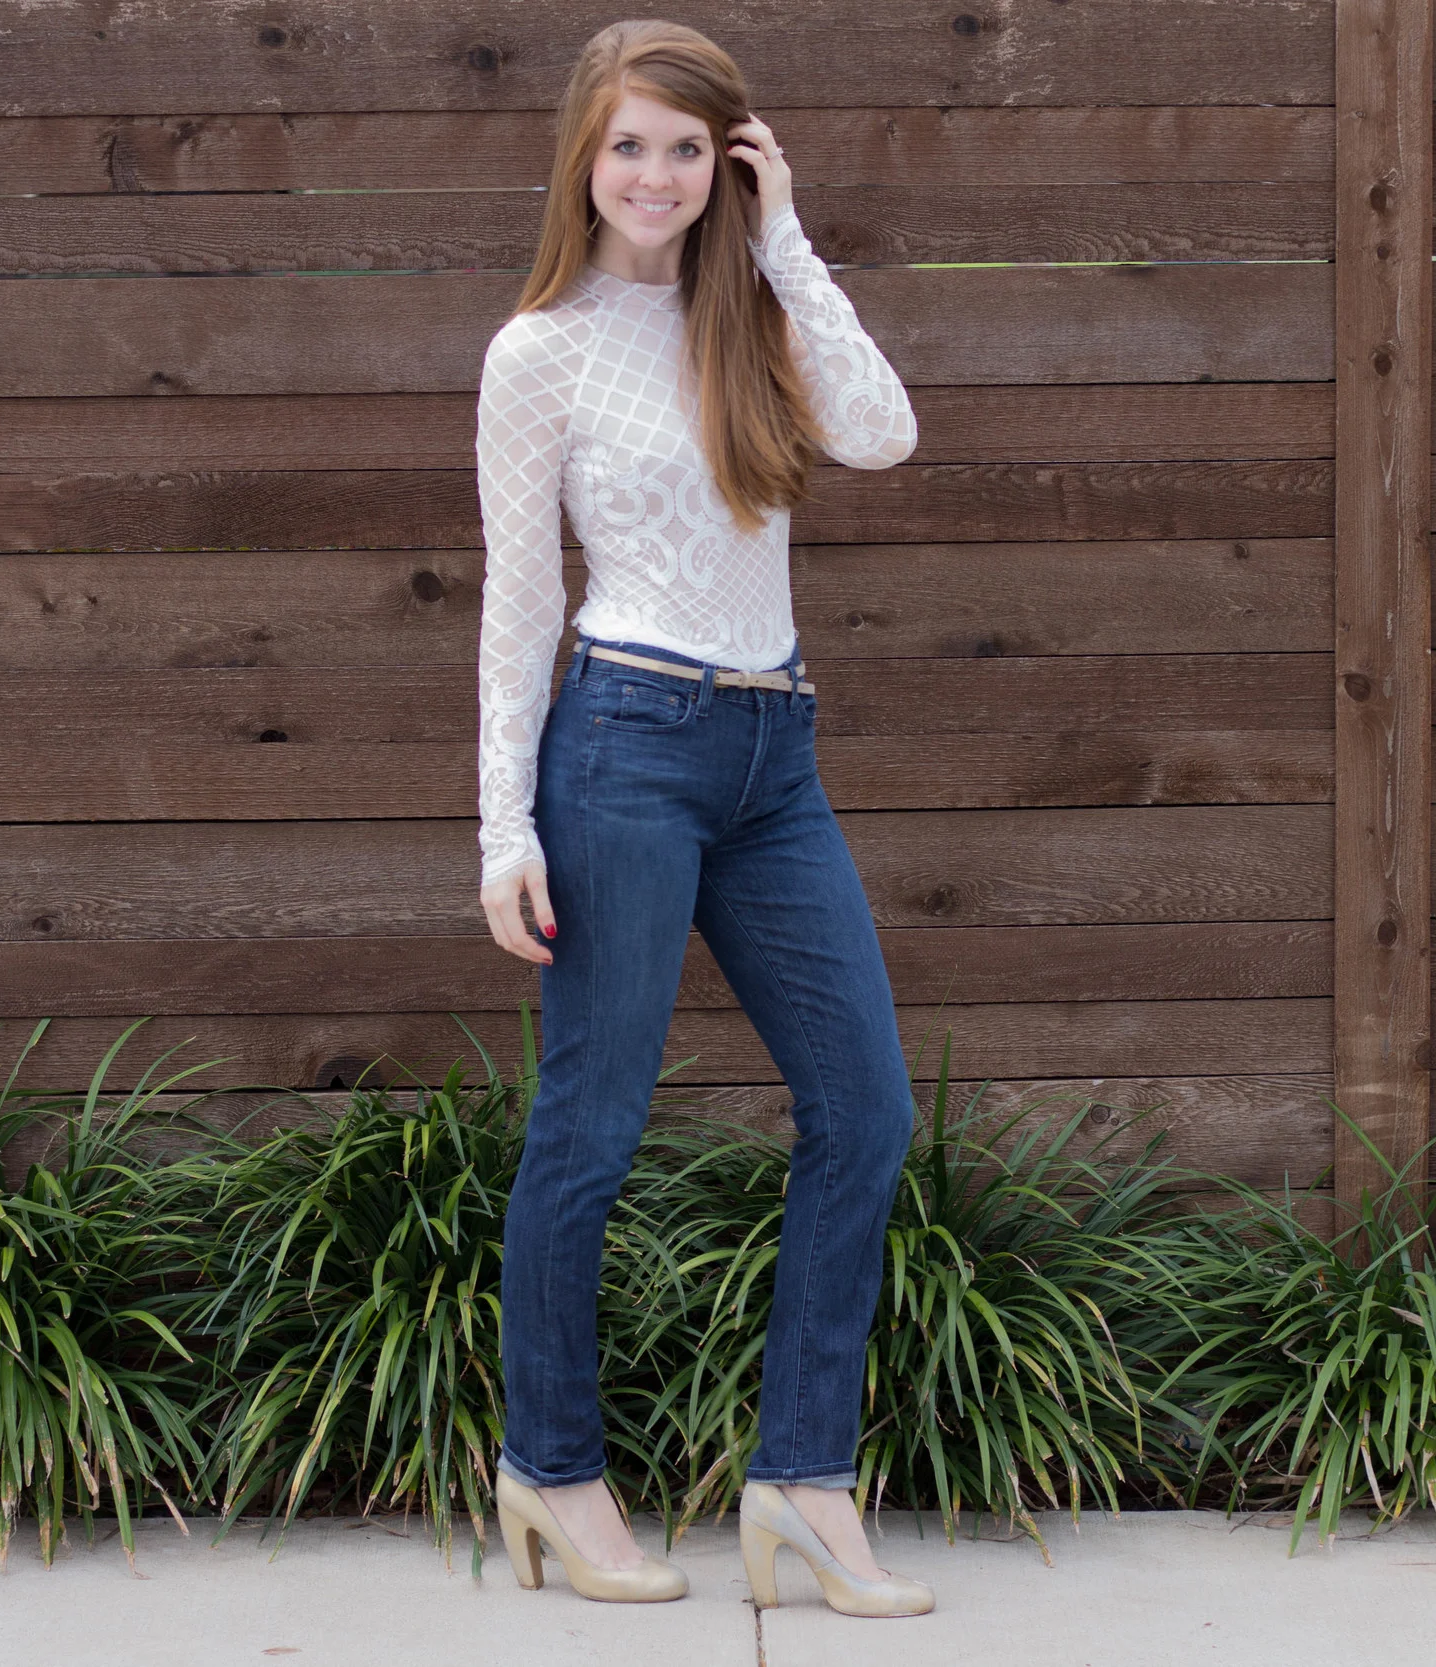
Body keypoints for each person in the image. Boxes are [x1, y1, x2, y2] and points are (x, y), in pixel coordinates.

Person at [473, 18, 934, 1620]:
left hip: (772, 755)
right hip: (623, 748)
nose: (655, 176)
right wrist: (499, 827)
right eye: (628, 147)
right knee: (588, 1133)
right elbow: (520, 602)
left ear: (725, 160)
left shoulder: (758, 320)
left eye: (687, 147)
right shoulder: (542, 351)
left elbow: (885, 432)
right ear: (582, 162)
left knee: (866, 1111)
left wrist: (788, 240)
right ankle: (549, 1466)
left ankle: (806, 1484)